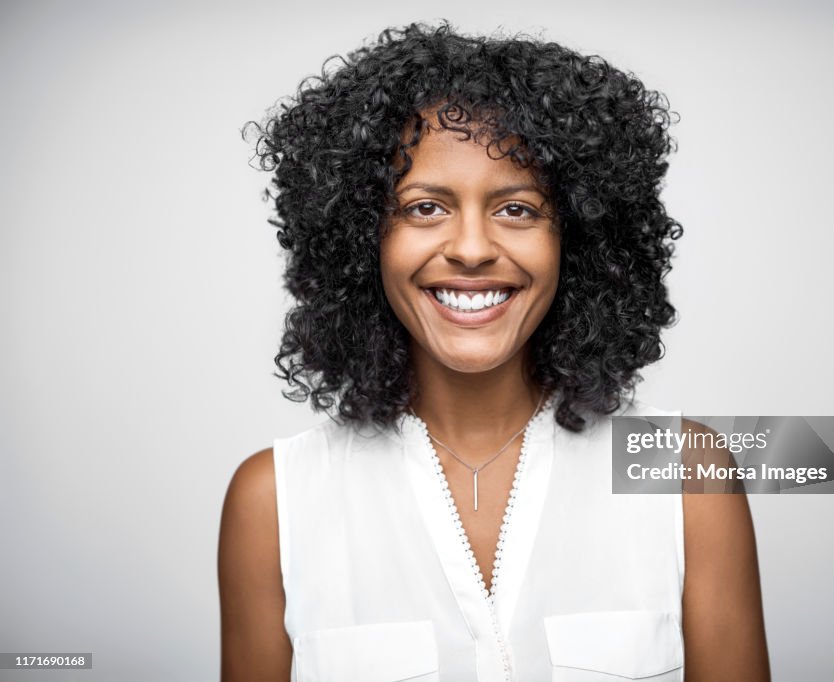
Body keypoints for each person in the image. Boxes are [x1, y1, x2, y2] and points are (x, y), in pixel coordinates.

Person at [218, 22, 769, 681]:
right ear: (362, 238)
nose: (473, 248)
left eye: (517, 209)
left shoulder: (688, 476)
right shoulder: (273, 501)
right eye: (424, 208)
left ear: (578, 240)